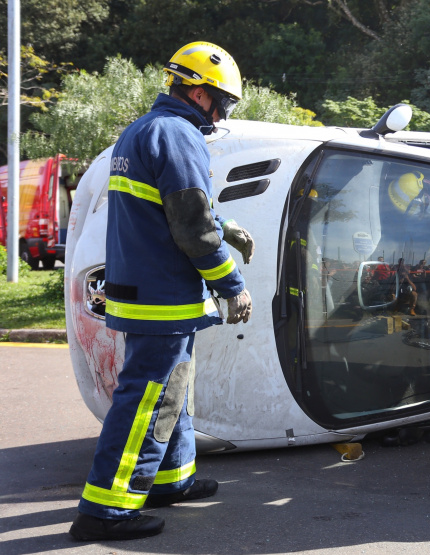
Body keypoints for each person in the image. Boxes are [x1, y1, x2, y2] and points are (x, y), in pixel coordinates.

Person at [69, 42, 254, 541]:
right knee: (147, 399)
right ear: (199, 92)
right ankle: (104, 511)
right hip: (162, 295)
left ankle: (169, 479)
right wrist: (232, 286)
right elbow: (192, 226)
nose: (223, 114)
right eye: (223, 102)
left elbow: (170, 209)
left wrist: (226, 225)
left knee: (171, 388)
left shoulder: (144, 130)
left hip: (146, 289)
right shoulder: (177, 134)